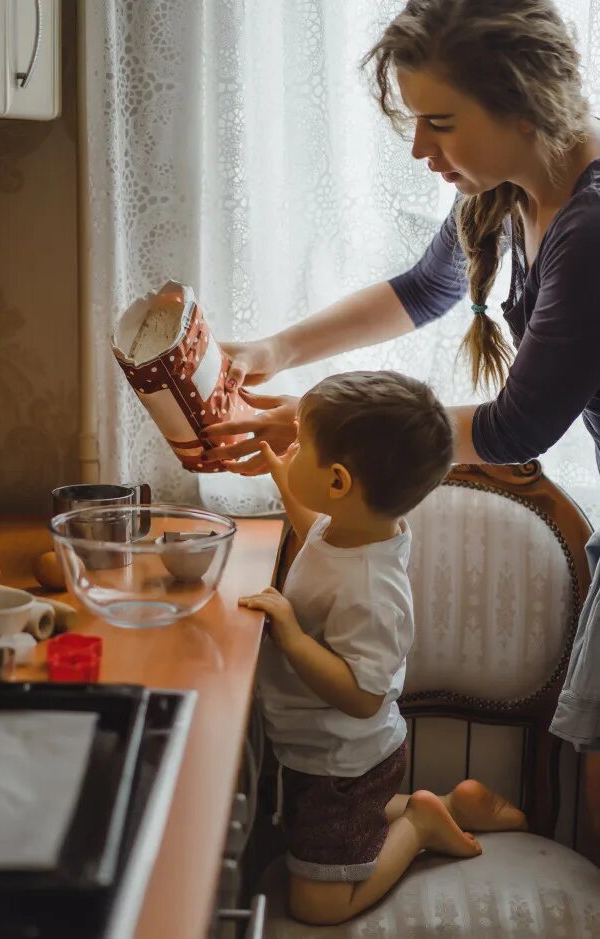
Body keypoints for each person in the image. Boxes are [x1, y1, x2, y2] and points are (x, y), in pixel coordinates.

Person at [201, 0, 600, 806]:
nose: (420, 148)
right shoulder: (513, 189)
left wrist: (334, 427)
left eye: (441, 122)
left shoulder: (592, 228)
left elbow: (515, 426)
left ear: (524, 104)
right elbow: (425, 289)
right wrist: (273, 350)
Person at [239, 370, 527, 926]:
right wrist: (287, 482)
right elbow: (320, 539)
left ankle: (420, 823)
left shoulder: (371, 592)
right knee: (344, 824)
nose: (290, 449)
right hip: (332, 758)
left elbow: (365, 694)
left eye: (301, 445)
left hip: (342, 767)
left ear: (339, 482)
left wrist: (293, 638)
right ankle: (449, 806)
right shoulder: (356, 530)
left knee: (317, 904)